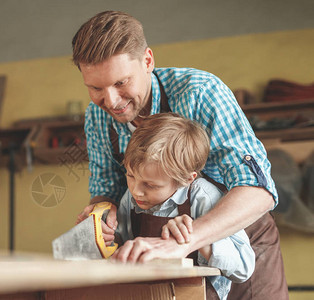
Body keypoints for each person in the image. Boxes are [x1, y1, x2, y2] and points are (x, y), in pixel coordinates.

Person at [72, 10, 288, 299]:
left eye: (121, 83)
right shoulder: (97, 117)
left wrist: (187, 240)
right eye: (95, 88)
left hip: (241, 244)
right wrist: (102, 214)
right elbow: (105, 192)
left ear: (147, 61)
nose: (110, 101)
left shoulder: (199, 92)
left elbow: (260, 190)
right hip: (166, 253)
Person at [112, 113, 255, 300]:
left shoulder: (204, 198)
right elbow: (122, 248)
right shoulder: (129, 199)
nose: (136, 191)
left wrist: (197, 238)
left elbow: (244, 268)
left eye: (151, 185)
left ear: (188, 179)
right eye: (130, 176)